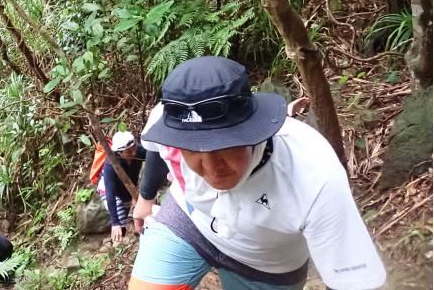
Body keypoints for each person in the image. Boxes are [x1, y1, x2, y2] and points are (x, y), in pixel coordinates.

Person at [129, 56, 387, 290]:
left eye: (224, 147)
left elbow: (353, 282)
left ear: (252, 130)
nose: (210, 168)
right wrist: (145, 200)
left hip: (266, 264)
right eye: (192, 149)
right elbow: (155, 149)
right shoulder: (172, 118)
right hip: (189, 220)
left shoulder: (313, 173)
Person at [98, 131, 146, 244]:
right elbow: (110, 194)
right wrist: (115, 223)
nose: (134, 152)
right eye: (129, 151)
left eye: (134, 147)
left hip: (128, 190)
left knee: (127, 217)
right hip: (110, 192)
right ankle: (116, 245)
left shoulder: (139, 151)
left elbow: (155, 157)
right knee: (120, 223)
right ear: (119, 153)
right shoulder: (111, 164)